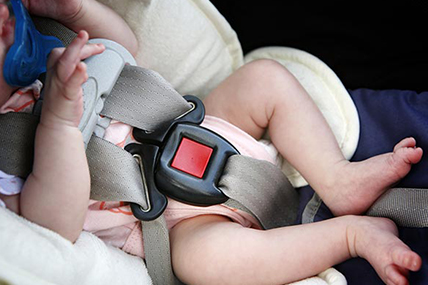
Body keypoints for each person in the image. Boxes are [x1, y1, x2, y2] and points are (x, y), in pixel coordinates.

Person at [0, 1, 423, 284]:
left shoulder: (52, 50)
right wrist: (58, 122)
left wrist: (75, 11)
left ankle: (337, 179)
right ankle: (350, 236)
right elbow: (53, 221)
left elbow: (122, 49)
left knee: (263, 79)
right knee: (203, 265)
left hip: (192, 122)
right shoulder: (5, 154)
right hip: (166, 222)